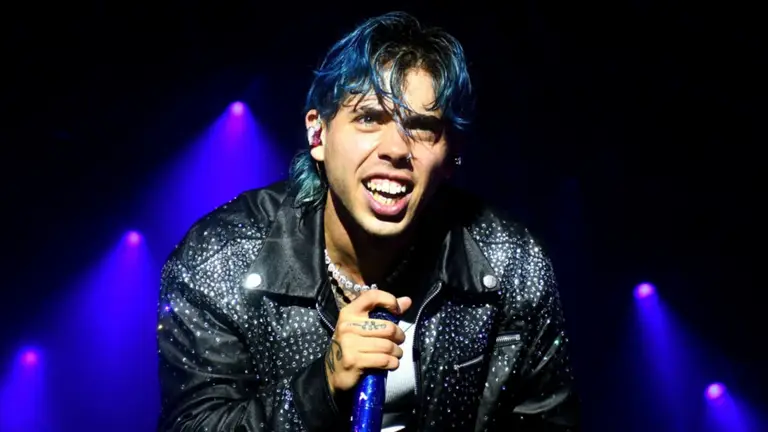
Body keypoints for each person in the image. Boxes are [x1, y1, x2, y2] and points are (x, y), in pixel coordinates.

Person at [156, 11, 579, 432]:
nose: (396, 148)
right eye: (369, 119)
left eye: (422, 128)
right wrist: (322, 386)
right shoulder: (223, 258)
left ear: (451, 154)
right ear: (318, 135)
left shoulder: (508, 264)